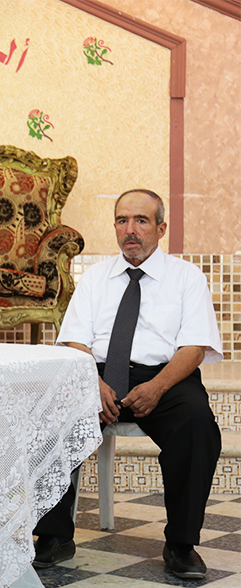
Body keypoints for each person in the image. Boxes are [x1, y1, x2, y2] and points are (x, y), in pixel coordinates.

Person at [33, 189, 222, 580]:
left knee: (197, 424)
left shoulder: (186, 277)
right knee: (48, 415)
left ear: (161, 228)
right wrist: (94, 382)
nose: (130, 230)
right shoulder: (95, 277)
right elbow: (74, 341)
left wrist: (158, 387)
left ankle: (181, 544)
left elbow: (194, 347)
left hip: (165, 376)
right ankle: (53, 536)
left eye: (141, 220)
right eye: (122, 220)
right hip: (98, 373)